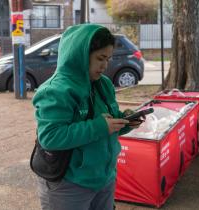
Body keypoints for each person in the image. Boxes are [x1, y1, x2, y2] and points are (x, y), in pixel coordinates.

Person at [32, 24, 142, 210]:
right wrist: (100, 126)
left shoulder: (103, 84)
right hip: (69, 182)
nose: (105, 65)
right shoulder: (56, 91)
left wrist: (125, 122)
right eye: (100, 58)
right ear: (80, 56)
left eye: (108, 59)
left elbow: (107, 123)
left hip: (104, 176)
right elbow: (50, 137)